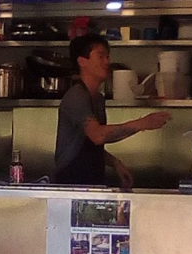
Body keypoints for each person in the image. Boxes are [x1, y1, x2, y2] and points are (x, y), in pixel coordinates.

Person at [52, 34, 171, 189]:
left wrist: (115, 163)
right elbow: (98, 135)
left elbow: (89, 147)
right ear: (82, 61)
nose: (107, 62)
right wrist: (142, 123)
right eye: (100, 56)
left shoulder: (98, 99)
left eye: (107, 57)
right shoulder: (76, 96)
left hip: (91, 185)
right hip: (71, 187)